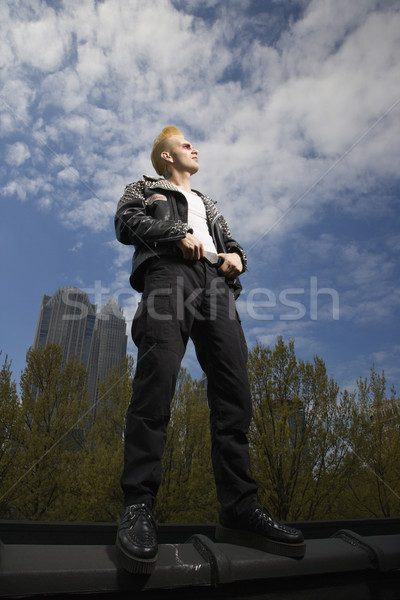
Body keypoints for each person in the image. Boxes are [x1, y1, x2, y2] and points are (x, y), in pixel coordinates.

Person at [114, 126, 306, 574]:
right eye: (184, 144)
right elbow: (125, 223)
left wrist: (236, 256)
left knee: (234, 390)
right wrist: (172, 233)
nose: (194, 148)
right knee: (157, 378)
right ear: (164, 157)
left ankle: (240, 507)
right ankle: (138, 505)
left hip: (216, 285)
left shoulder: (208, 202)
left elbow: (231, 243)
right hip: (168, 274)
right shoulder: (144, 187)